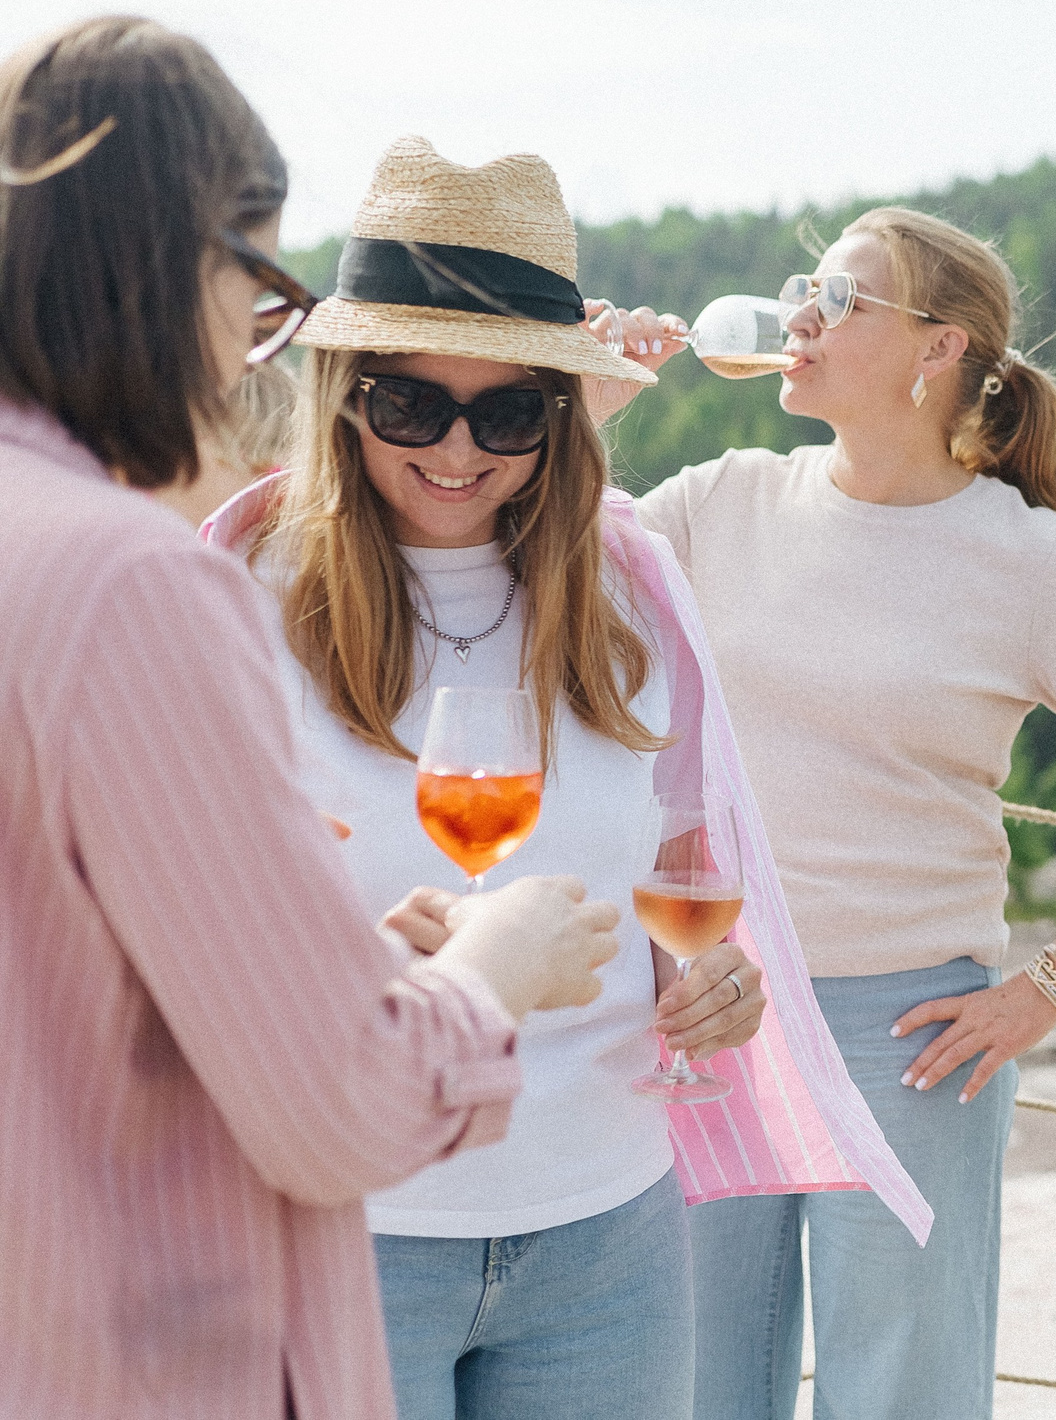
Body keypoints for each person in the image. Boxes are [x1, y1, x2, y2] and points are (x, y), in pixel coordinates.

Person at [200, 138, 928, 1420]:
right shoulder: (241, 600)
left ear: (557, 412)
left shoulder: (634, 596)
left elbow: (681, 879)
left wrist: (710, 981)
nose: (459, 451)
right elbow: (181, 932)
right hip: (350, 1227)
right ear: (346, 398)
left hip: (609, 1231)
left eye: (510, 411)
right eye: (413, 405)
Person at [0, 20, 624, 1420]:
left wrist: (337, 961)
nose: (247, 347)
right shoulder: (140, 584)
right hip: (158, 1353)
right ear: (170, 259)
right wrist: (495, 970)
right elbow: (334, 1114)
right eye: (259, 286)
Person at [582, 206, 1056, 1420]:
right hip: (709, 1004)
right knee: (694, 1388)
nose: (801, 312)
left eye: (842, 297)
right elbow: (541, 586)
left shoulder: (1029, 563)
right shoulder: (721, 500)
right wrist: (587, 417)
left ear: (937, 350)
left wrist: (1050, 990)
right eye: (805, 284)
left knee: (896, 1397)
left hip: (910, 1031)